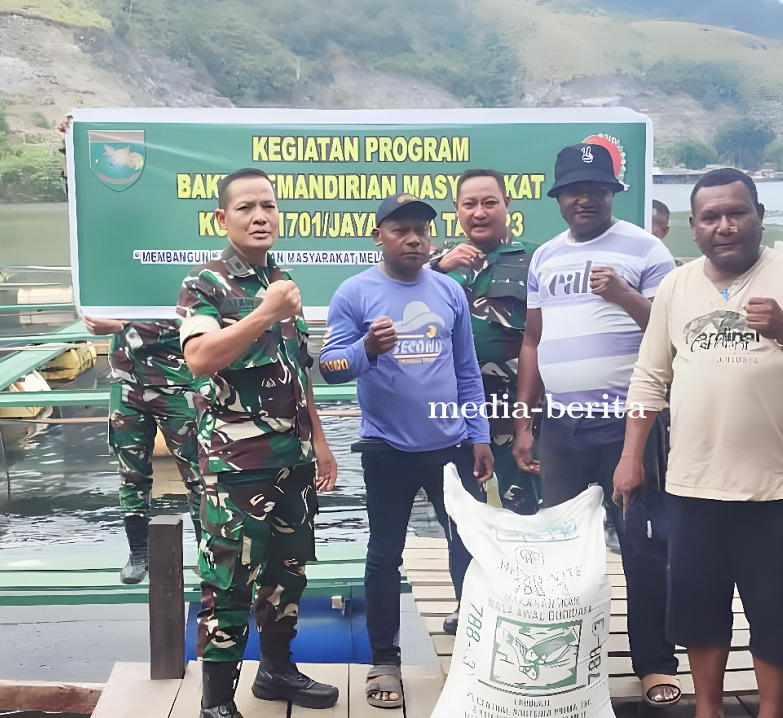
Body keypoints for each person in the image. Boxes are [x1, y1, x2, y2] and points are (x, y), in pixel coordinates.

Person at [615, 169, 783, 718]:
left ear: (758, 215)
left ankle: (769, 711)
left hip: (771, 486)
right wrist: (629, 458)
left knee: (777, 616)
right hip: (691, 483)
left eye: (736, 212)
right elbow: (650, 376)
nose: (725, 225)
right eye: (710, 217)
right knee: (698, 612)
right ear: (693, 227)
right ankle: (708, 709)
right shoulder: (676, 284)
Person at [512, 142, 682, 708]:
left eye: (596, 188)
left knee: (642, 544)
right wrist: (525, 421)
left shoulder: (647, 248)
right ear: (559, 198)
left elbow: (672, 332)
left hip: (627, 424)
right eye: (573, 190)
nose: (585, 198)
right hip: (561, 425)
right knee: (564, 546)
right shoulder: (544, 257)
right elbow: (533, 340)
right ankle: (565, 660)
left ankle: (654, 662)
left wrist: (623, 294)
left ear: (613, 193)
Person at [319, 192, 494, 709]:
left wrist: (479, 435)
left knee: (468, 547)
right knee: (384, 554)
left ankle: (473, 646)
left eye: (421, 229)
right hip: (387, 448)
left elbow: (466, 370)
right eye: (400, 230)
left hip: (452, 445)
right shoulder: (354, 293)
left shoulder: (448, 291)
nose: (414, 238)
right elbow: (329, 367)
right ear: (379, 237)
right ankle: (384, 661)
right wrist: (365, 350)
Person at [176, 168, 340, 717]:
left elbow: (297, 374)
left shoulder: (282, 278)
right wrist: (265, 312)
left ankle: (276, 673)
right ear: (223, 219)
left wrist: (320, 443)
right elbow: (199, 357)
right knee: (228, 582)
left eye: (267, 205)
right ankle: (216, 703)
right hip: (238, 466)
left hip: (291, 462)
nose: (260, 215)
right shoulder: (205, 284)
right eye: (245, 207)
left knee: (288, 572)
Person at [428, 168, 541, 518]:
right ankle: (471, 574)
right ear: (456, 210)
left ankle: (526, 572)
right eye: (469, 204)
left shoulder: (537, 258)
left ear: (507, 204)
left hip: (515, 409)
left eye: (490, 203)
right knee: (460, 513)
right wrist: (436, 268)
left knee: (523, 508)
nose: (479, 212)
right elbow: (396, 301)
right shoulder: (435, 265)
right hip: (453, 412)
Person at [80, 316, 202, 584]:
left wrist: (123, 326)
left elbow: (196, 318)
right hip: (127, 383)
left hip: (177, 380)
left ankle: (208, 554)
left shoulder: (186, 277)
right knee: (131, 474)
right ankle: (139, 553)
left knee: (198, 474)